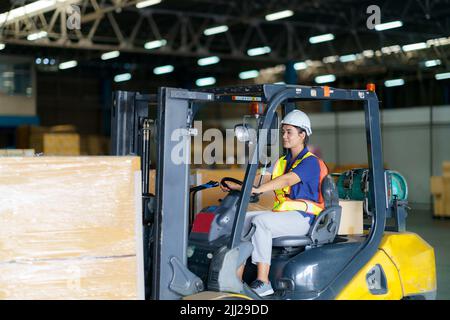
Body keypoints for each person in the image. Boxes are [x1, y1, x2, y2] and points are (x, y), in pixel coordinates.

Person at [221, 109, 328, 297]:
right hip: (286, 216)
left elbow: (287, 180)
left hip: (306, 219)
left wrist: (258, 190)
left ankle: (263, 281)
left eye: (289, 132)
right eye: (283, 131)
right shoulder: (282, 161)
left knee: (262, 222)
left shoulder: (310, 162)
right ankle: (235, 279)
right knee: (242, 219)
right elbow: (261, 183)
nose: (284, 136)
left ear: (302, 135)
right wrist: (238, 187)